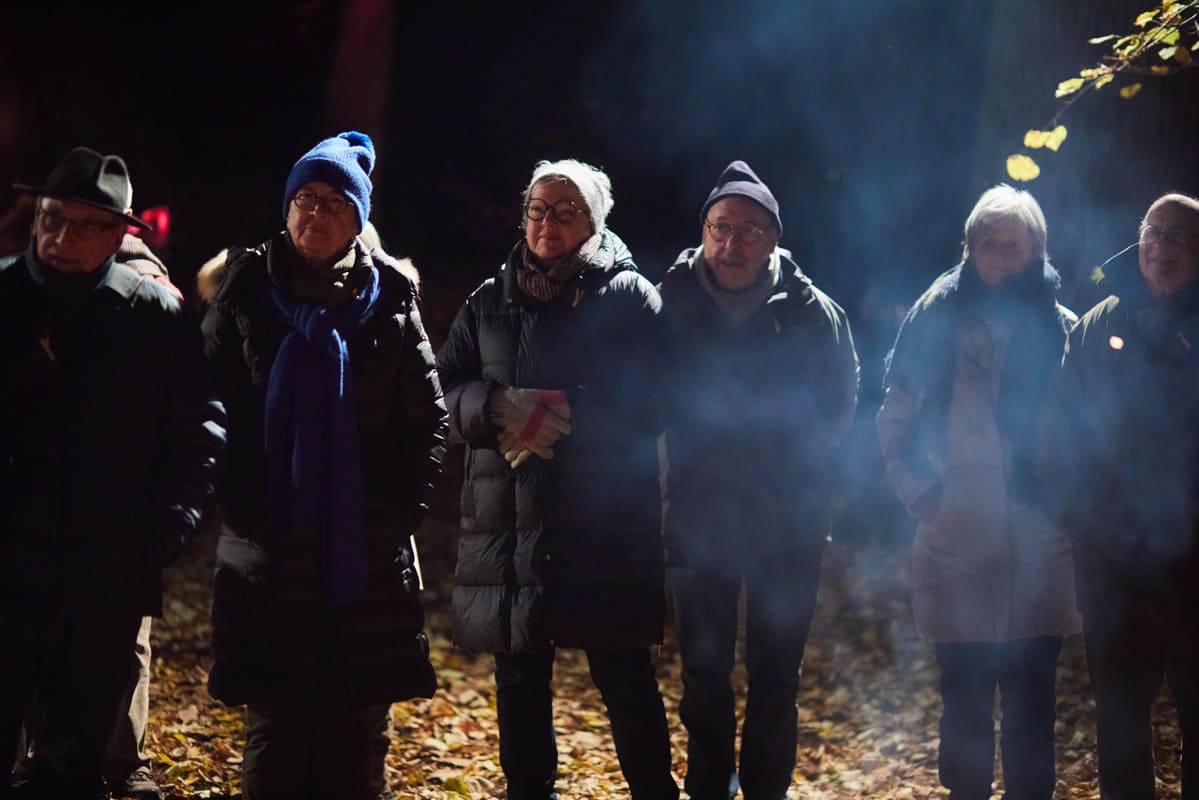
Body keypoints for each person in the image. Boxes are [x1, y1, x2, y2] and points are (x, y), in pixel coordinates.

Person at [200, 131, 446, 800]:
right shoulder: (246, 292)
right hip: (268, 552)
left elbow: (428, 424)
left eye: (336, 202)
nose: (315, 213)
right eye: (305, 197)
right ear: (286, 207)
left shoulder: (391, 302)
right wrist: (245, 508)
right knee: (275, 730)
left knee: (356, 732)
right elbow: (208, 408)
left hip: (363, 556)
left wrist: (391, 521)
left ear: (359, 221)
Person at [436, 158, 678, 800]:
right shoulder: (488, 299)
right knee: (519, 678)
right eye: (538, 209)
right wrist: (493, 406)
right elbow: (442, 392)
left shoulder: (631, 298)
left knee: (623, 672)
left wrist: (559, 409)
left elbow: (659, 396)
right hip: (509, 518)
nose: (547, 221)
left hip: (603, 522)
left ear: (594, 223)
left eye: (565, 210)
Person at [0, 146, 226, 798]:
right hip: (8, 567)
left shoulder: (152, 315)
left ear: (120, 234)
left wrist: (159, 537)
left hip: (100, 577)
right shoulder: (6, 294)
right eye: (51, 218)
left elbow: (199, 433)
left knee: (73, 759)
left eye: (84, 225)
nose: (61, 237)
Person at [657, 160, 859, 800]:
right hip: (696, 516)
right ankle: (708, 788)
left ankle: (766, 790)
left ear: (773, 238)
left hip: (788, 523)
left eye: (748, 230)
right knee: (704, 673)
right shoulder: (668, 303)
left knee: (778, 675)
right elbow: (641, 396)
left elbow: (842, 399)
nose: (731, 243)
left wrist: (802, 470)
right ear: (704, 231)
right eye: (720, 227)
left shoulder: (811, 311)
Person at [878, 185, 1080, 800]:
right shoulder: (932, 320)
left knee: (1031, 707)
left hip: (1037, 543)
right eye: (985, 243)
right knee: (962, 703)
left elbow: (1089, 432)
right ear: (967, 249)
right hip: (956, 535)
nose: (997, 254)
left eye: (1011, 245)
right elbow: (895, 420)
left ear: (1036, 252)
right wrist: (923, 497)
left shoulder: (1065, 329)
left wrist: (1067, 507)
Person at [1045, 192, 1199, 800]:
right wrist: (1086, 524)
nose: (1161, 248)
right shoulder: (1097, 324)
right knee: (1120, 725)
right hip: (1116, 569)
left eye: (1180, 238)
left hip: (1197, 571)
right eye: (1153, 233)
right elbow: (1059, 438)